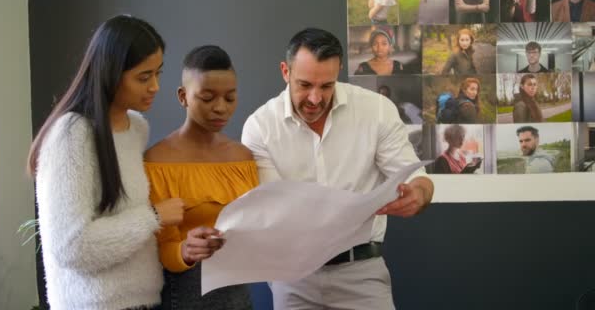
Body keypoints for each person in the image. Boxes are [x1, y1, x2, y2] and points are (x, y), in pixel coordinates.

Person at [242, 27, 434, 310]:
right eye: (305, 85)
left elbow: (418, 179)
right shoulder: (260, 127)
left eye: (326, 85)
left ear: (339, 71)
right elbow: (271, 209)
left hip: (362, 272)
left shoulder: (376, 110)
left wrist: (418, 194)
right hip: (293, 276)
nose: (316, 98)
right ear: (285, 71)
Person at [27, 15, 185, 310]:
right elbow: (72, 247)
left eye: (158, 74)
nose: (155, 87)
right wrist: (153, 217)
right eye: (143, 77)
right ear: (110, 73)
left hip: (144, 301)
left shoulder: (136, 128)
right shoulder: (71, 134)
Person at [144, 45, 257, 310]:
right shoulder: (157, 161)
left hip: (238, 293)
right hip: (184, 294)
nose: (220, 108)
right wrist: (185, 250)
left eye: (230, 98)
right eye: (207, 98)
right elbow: (157, 246)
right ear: (183, 96)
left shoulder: (242, 158)